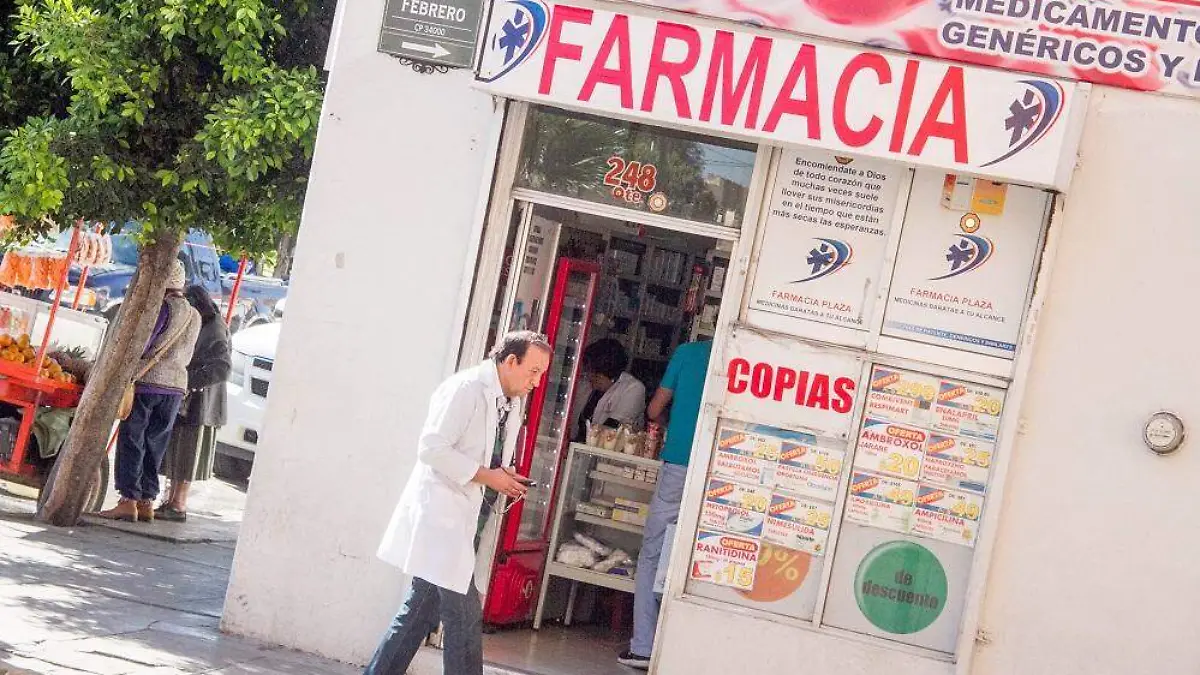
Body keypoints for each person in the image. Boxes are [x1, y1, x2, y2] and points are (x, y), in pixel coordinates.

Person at [366, 331, 552, 675]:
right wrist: (488, 476)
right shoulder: (465, 389)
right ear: (510, 361)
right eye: (533, 371)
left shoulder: (510, 401)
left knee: (418, 612)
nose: (537, 382)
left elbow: (484, 455)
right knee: (464, 615)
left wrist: (504, 476)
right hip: (441, 516)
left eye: (541, 374)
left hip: (466, 520)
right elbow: (431, 448)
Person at [619, 339, 713, 670]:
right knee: (707, 556)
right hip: (721, 469)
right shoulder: (742, 354)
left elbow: (654, 410)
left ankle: (643, 645)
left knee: (653, 554)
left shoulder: (689, 353)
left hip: (678, 465)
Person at [98, 259, 202, 523]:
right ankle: (147, 501)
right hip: (176, 386)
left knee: (133, 438)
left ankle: (128, 500)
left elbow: (145, 343)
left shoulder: (163, 308)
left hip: (148, 382)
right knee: (156, 443)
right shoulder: (194, 314)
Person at [156, 285, 232, 522]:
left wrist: (190, 380)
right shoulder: (202, 323)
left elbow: (222, 368)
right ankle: (170, 501)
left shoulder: (214, 328)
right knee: (177, 453)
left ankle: (178, 504)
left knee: (187, 456)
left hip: (201, 405)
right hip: (189, 400)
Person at [573, 338, 646, 443]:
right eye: (588, 370)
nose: (589, 376)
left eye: (594, 373)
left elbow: (612, 429)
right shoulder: (587, 386)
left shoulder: (634, 389)